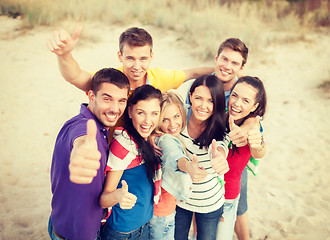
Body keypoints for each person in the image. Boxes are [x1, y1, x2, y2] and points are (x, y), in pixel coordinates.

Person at [48, 68, 130, 240]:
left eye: (121, 101)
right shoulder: (83, 127)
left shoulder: (98, 126)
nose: (115, 109)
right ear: (92, 97)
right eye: (107, 99)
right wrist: (82, 151)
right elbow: (82, 140)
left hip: (66, 222)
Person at [183, 38, 251, 240]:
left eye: (235, 63)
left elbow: (255, 116)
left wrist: (248, 126)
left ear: (241, 67)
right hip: (201, 157)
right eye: (224, 59)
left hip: (232, 158)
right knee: (200, 204)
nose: (227, 66)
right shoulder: (202, 83)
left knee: (238, 206)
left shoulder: (241, 91)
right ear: (216, 58)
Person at [47, 26, 213, 93]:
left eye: (143, 59)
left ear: (151, 57)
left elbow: (193, 72)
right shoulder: (107, 79)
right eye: (130, 58)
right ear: (120, 56)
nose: (137, 66)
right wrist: (64, 55)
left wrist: (225, 70)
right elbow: (75, 76)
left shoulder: (159, 77)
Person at [98, 85, 163, 240]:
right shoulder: (123, 145)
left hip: (145, 225)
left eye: (154, 113)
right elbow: (104, 199)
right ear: (130, 112)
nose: (148, 121)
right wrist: (118, 196)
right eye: (141, 113)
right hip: (122, 232)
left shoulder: (147, 140)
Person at [174, 74, 230, 240]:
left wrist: (219, 157)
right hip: (180, 198)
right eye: (198, 98)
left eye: (211, 101)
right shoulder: (179, 116)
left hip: (209, 203)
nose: (203, 106)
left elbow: (220, 147)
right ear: (190, 96)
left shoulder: (221, 128)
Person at [149, 92, 208, 240]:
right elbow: (174, 156)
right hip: (161, 215)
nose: (173, 124)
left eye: (176, 116)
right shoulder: (165, 140)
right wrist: (187, 166)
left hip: (163, 212)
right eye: (165, 119)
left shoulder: (156, 137)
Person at [216, 76, 267, 240]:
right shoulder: (219, 116)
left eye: (246, 100)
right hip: (205, 193)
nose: (237, 103)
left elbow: (259, 151)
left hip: (228, 197)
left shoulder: (253, 124)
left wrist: (256, 143)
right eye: (235, 95)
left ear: (255, 106)